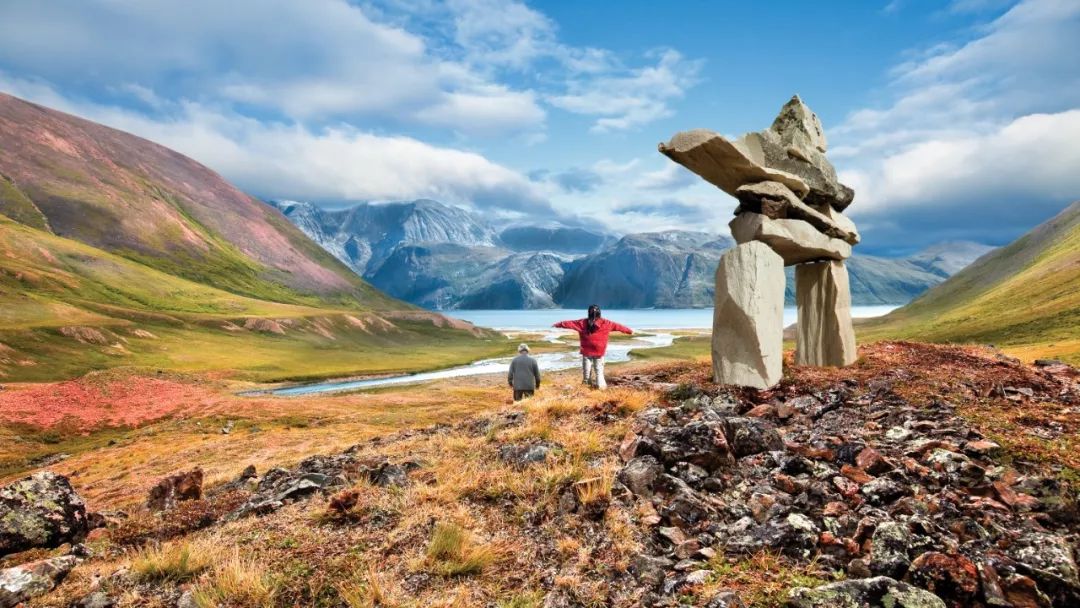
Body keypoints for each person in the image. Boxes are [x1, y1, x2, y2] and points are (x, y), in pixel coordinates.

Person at [554, 305, 632, 390]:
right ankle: (601, 388)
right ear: (599, 313)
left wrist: (557, 324)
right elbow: (619, 327)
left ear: (588, 313)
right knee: (599, 371)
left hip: (586, 351)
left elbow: (569, 324)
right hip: (599, 351)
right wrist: (629, 331)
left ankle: (586, 388)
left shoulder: (582, 323)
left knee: (586, 373)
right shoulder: (606, 323)